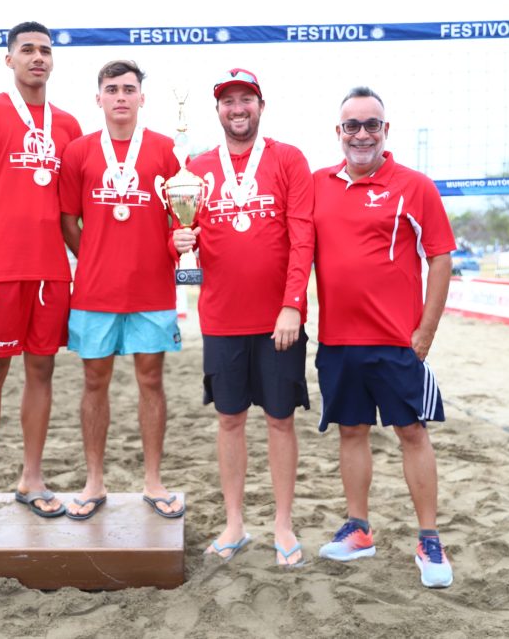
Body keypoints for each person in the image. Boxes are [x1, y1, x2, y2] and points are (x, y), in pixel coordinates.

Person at [311, 87, 456, 588]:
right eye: (352, 125)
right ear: (339, 133)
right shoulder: (316, 186)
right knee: (351, 430)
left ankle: (429, 538)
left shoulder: (413, 186)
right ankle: (359, 528)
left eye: (372, 124)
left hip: (397, 341)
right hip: (337, 340)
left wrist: (426, 331)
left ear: (385, 131)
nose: (362, 134)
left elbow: (440, 256)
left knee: (412, 432)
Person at [172, 68, 313, 566]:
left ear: (260, 105)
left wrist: (293, 303)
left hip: (280, 320)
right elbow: (179, 237)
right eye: (229, 100)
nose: (237, 108)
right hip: (221, 318)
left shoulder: (288, 159)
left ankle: (282, 524)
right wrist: (178, 242)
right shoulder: (195, 168)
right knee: (229, 419)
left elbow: (303, 237)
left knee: (280, 420)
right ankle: (235, 523)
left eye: (246, 99)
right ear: (218, 111)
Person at [0, 21, 83, 530]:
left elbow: (71, 210)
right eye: (27, 50)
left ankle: (32, 477)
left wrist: (88, 262)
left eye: (46, 50)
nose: (38, 58)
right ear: (10, 60)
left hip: (51, 273)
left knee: (43, 371)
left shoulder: (68, 125)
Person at [58, 60, 184, 520]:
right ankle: (94, 480)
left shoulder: (167, 151)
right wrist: (93, 254)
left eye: (129, 89)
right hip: (94, 292)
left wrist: (172, 246)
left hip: (152, 291)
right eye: (112, 89)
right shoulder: (78, 152)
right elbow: (68, 220)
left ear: (141, 98)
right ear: (99, 99)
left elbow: (180, 219)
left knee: (151, 380)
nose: (121, 97)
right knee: (95, 382)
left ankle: (153, 480)